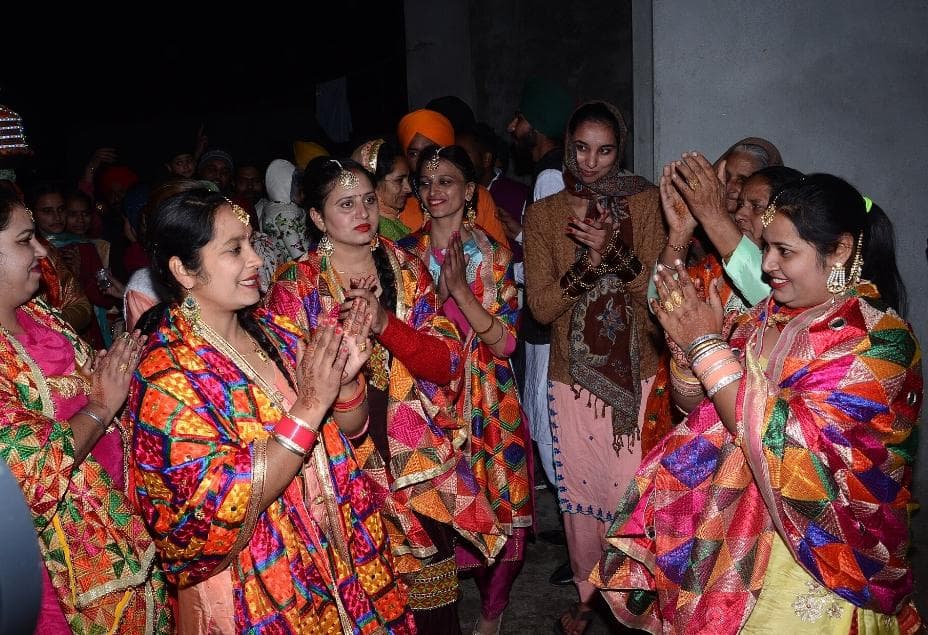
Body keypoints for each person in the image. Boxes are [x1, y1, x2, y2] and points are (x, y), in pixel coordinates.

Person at [594, 174, 921, 634]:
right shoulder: (764, 316)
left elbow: (784, 447)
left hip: (821, 555)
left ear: (841, 250)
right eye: (766, 247)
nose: (767, 264)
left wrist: (705, 346)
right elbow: (700, 414)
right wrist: (687, 357)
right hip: (733, 538)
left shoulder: (879, 343)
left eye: (785, 252)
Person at [127, 189, 414, 633]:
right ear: (184, 270)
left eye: (252, 244)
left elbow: (352, 432)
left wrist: (346, 383)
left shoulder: (276, 334)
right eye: (234, 250)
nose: (257, 260)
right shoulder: (167, 375)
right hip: (252, 581)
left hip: (334, 550)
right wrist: (312, 403)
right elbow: (220, 504)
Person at [267, 157, 502, 634]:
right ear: (315, 217)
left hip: (412, 452)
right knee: (363, 591)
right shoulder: (296, 286)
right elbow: (288, 386)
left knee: (433, 592)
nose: (363, 212)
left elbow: (447, 363)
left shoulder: (408, 269)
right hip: (338, 458)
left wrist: (383, 323)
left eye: (369, 200)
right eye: (346, 203)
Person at [0, 189, 171, 633]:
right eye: (24, 240)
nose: (41, 250)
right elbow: (24, 469)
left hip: (121, 528)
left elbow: (84, 382)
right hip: (54, 570)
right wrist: (101, 405)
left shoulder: (40, 313)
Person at [523, 101, 664, 635]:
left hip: (639, 371)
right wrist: (586, 263)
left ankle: (640, 596)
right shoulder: (545, 214)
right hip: (572, 378)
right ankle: (588, 596)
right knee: (581, 497)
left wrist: (612, 253)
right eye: (582, 148)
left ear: (619, 150)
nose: (591, 161)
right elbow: (540, 308)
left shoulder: (646, 203)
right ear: (567, 145)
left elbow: (652, 294)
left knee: (633, 492)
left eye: (604, 150)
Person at [398, 145, 533, 635]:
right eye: (426, 183)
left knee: (497, 509)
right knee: (432, 515)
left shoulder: (493, 255)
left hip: (487, 402)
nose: (434, 192)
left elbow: (507, 342)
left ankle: (492, 613)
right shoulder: (402, 255)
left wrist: (459, 290)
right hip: (425, 400)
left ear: (470, 189)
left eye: (447, 181)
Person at [506, 77, 573, 508]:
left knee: (548, 424)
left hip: (548, 320)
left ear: (539, 123)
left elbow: (549, 263)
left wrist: (510, 268)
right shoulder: (553, 171)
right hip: (553, 315)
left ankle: (580, 533)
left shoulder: (550, 174)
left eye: (522, 118)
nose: (513, 126)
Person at [395, 109, 509, 246]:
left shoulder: (481, 197)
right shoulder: (399, 201)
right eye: (413, 153)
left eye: (444, 182)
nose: (422, 159)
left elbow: (499, 259)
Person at [352, 137, 413, 241]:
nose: (409, 189)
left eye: (408, 179)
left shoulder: (389, 218)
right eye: (399, 180)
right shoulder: (378, 228)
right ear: (374, 183)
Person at [261, 158, 309, 266]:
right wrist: (310, 270)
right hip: (296, 269)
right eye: (296, 185)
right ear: (285, 185)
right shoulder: (286, 213)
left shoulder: (271, 207)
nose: (299, 190)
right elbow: (296, 250)